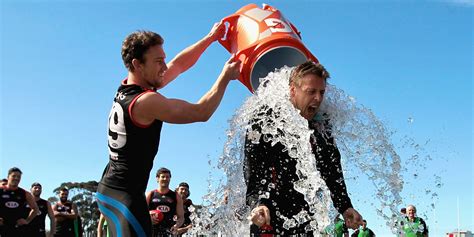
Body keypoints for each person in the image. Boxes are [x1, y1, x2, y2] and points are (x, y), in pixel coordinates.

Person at [97, 21, 240, 237]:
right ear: (138, 64)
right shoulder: (145, 101)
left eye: (163, 59)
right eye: (158, 61)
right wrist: (225, 77)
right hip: (122, 197)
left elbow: (179, 65)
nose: (164, 66)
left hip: (117, 190)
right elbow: (201, 112)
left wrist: (211, 37)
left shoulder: (130, 85)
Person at [244, 61, 363, 235]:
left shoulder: (321, 124)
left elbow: (332, 170)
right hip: (267, 214)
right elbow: (253, 170)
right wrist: (258, 203)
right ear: (293, 90)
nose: (318, 98)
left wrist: (345, 206)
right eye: (311, 92)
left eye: (322, 92)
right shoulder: (265, 119)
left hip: (304, 215)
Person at [0, 167, 39, 237]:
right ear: (8, 177)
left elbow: (35, 209)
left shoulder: (25, 193)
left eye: (18, 177)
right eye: (14, 176)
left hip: (18, 229)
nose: (16, 178)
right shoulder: (1, 190)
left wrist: (27, 221)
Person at [146, 168, 183, 236]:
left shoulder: (176, 196)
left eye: (167, 177)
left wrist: (176, 226)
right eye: (163, 176)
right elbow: (141, 213)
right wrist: (148, 218)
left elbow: (181, 217)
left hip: (168, 232)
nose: (165, 179)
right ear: (157, 178)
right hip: (151, 231)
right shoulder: (150, 194)